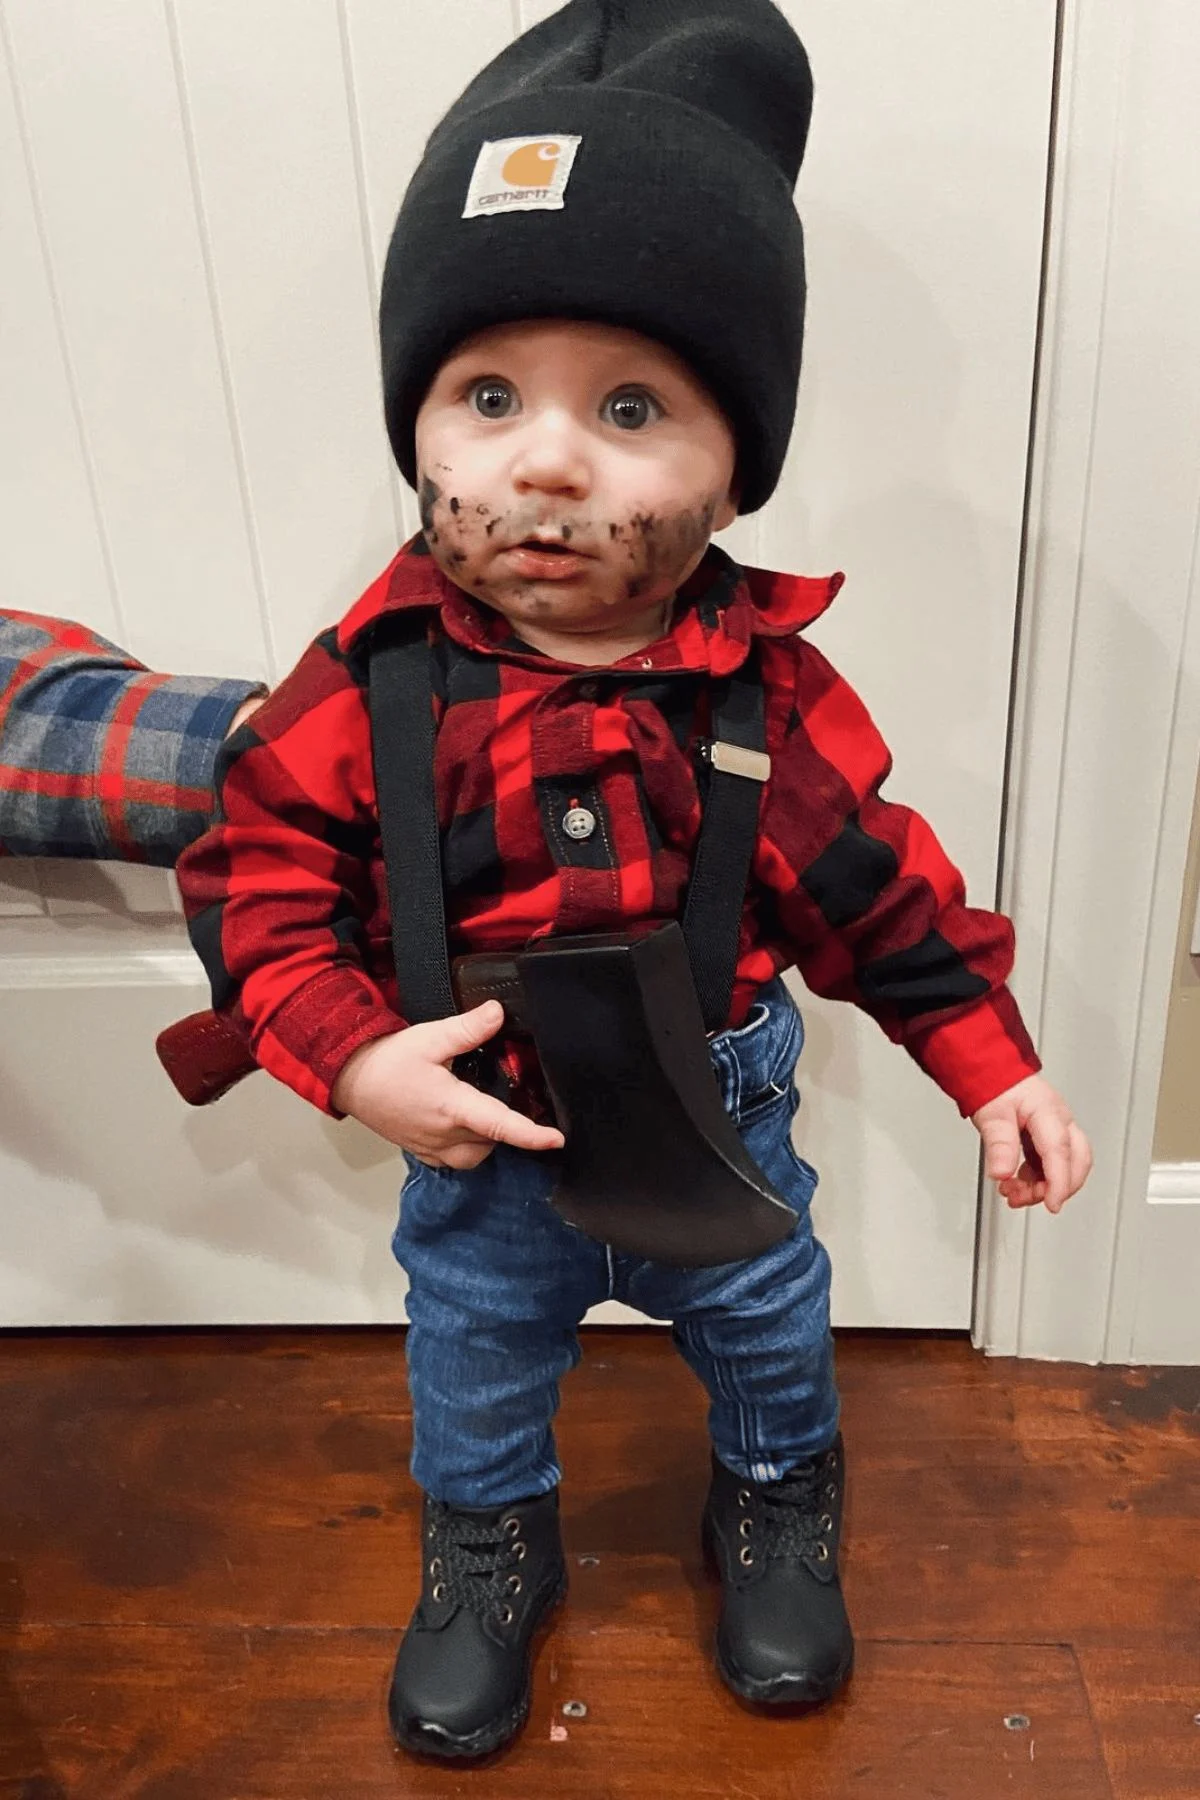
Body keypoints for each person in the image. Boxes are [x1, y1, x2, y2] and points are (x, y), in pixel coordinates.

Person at [1, 0, 1093, 1765]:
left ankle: (773, 1505)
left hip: (712, 1113)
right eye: (487, 395)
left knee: (769, 1325)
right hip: (481, 1128)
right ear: (419, 425)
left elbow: (881, 897)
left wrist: (995, 1064)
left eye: (634, 406)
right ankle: (491, 1540)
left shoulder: (763, 703)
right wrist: (354, 1057)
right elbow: (256, 882)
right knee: (476, 1356)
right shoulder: (365, 691)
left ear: (739, 458)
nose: (547, 461)